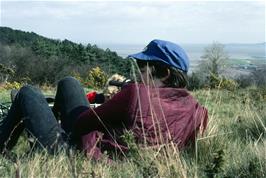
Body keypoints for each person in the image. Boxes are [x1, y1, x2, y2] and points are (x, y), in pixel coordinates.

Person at [0, 39, 208, 160]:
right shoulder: (198, 110)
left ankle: (8, 146)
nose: (139, 73)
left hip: (81, 155)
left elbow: (82, 123)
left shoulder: (137, 93)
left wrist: (114, 106)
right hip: (126, 158)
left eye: (143, 68)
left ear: (164, 73)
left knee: (27, 92)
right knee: (69, 83)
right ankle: (37, 134)